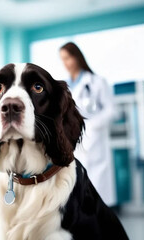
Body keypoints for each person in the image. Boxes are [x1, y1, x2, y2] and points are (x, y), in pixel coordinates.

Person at [59, 42, 117, 207]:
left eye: (68, 58)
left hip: (94, 140)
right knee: (75, 185)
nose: (65, 63)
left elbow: (112, 111)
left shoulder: (97, 82)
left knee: (97, 187)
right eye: (62, 59)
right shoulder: (64, 87)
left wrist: (92, 125)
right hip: (72, 141)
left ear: (77, 57)